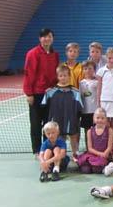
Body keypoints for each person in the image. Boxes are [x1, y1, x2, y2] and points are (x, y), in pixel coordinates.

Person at [23, 28, 60, 156]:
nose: (47, 39)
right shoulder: (32, 53)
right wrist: (29, 93)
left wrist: (55, 88)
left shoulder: (55, 54)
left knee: (48, 123)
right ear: (40, 39)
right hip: (36, 94)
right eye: (44, 36)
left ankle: (46, 148)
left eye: (49, 36)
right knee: (35, 123)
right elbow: (28, 74)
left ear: (52, 39)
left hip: (50, 94)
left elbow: (56, 74)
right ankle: (37, 150)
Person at [41, 65, 83, 161]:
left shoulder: (75, 92)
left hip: (71, 119)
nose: (63, 78)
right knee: (59, 137)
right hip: (57, 119)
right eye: (61, 76)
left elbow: (80, 108)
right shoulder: (51, 92)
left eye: (65, 75)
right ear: (57, 77)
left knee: (73, 136)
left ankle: (75, 154)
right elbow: (44, 104)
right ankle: (61, 156)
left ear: (69, 76)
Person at [77, 107, 113, 174]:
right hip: (93, 155)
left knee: (97, 169)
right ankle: (93, 165)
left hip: (105, 154)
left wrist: (105, 153)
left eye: (102, 118)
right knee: (85, 170)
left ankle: (105, 166)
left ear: (106, 119)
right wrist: (100, 154)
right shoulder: (89, 131)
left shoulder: (109, 130)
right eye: (97, 118)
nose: (100, 120)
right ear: (94, 119)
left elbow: (109, 147)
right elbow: (90, 148)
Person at [79, 60, 99, 146]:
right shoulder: (81, 83)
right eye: (85, 69)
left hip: (95, 111)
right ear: (83, 70)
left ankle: (96, 147)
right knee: (87, 131)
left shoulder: (97, 82)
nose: (88, 71)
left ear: (94, 70)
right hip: (85, 111)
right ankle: (88, 148)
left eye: (90, 68)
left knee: (96, 131)